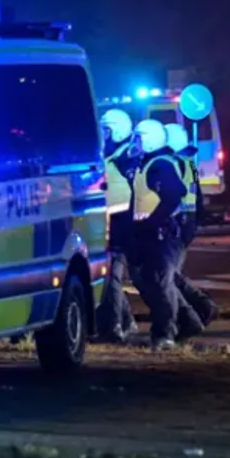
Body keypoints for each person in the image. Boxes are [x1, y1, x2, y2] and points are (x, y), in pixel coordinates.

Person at [130, 119, 191, 350]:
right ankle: (184, 324)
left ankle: (165, 335)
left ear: (149, 140)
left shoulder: (160, 165)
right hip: (151, 233)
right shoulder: (149, 163)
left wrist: (153, 221)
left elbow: (175, 194)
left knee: (161, 284)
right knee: (154, 283)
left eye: (138, 138)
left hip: (161, 235)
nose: (135, 143)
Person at [164, 124, 220, 328]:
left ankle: (201, 308)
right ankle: (198, 309)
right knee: (170, 274)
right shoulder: (188, 164)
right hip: (186, 222)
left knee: (169, 275)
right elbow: (198, 198)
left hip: (177, 223)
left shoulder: (174, 165)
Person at [96, 109, 139, 343]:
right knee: (109, 277)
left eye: (106, 130)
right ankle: (127, 322)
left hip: (121, 225)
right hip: (109, 223)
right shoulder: (112, 154)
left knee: (111, 277)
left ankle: (113, 329)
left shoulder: (127, 156)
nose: (102, 134)